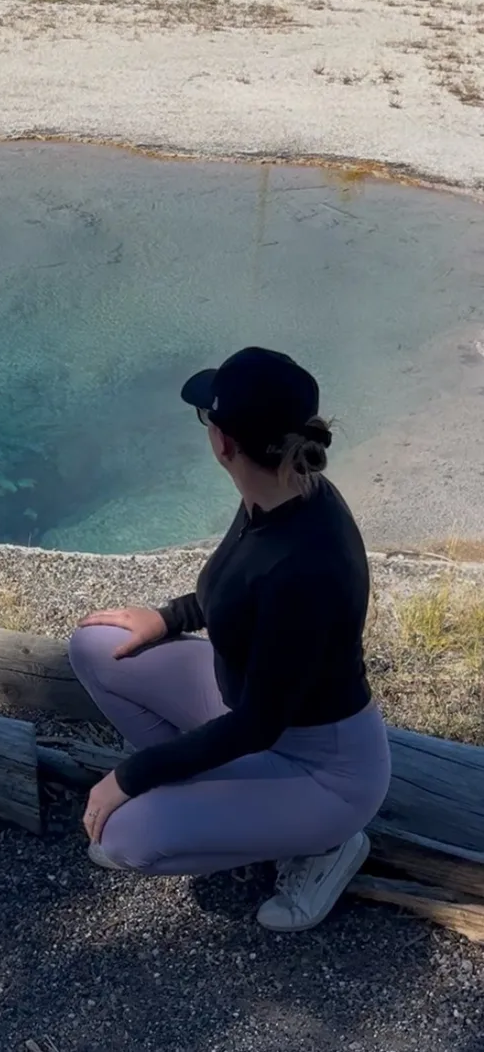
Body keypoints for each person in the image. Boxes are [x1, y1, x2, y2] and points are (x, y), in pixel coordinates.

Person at [68, 347, 391, 933]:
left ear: (223, 443)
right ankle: (220, 802)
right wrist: (167, 618)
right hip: (248, 706)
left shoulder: (305, 566)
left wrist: (131, 777)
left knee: (121, 838)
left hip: (326, 772)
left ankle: (324, 846)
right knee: (95, 646)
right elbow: (234, 589)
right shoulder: (282, 492)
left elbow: (258, 726)